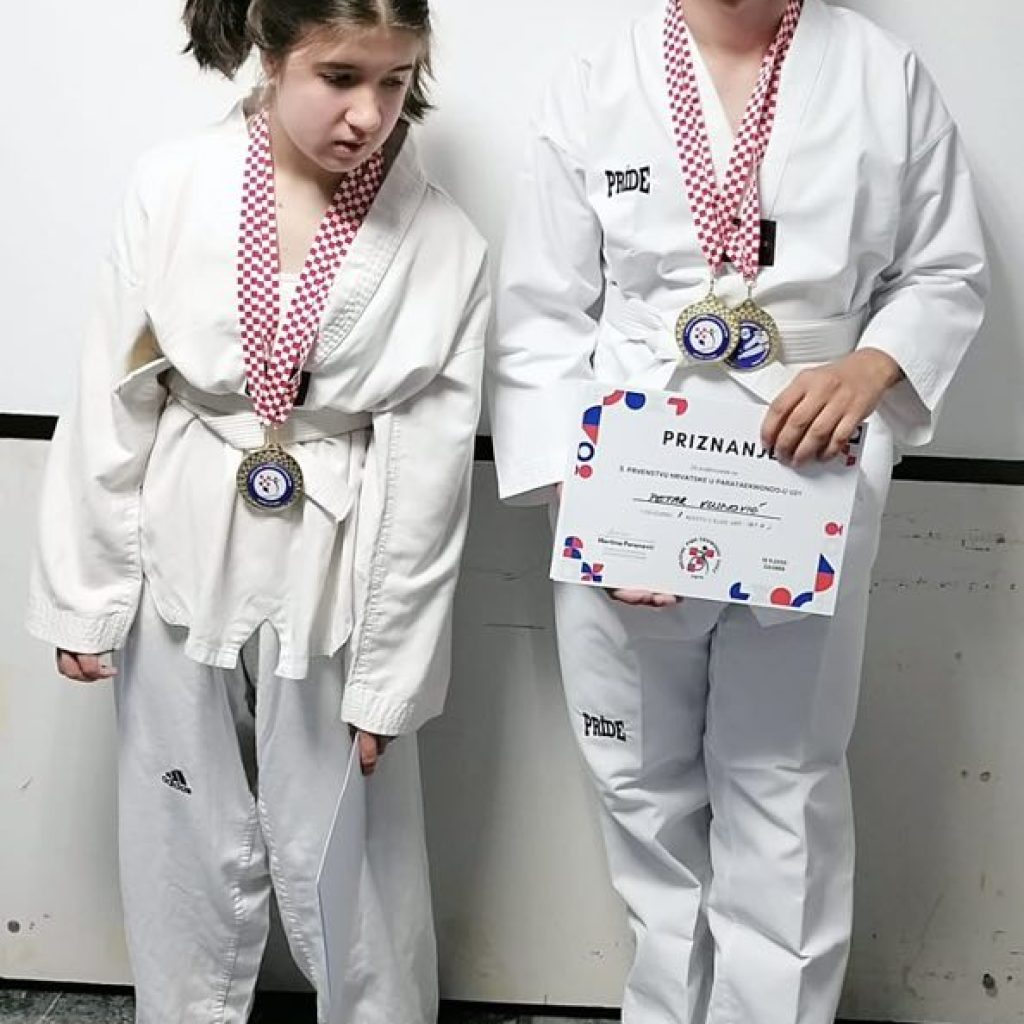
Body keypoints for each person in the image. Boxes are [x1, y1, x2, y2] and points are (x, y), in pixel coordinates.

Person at [489, 0, 986, 1022]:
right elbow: (540, 312)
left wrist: (871, 365)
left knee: (784, 786)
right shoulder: (596, 81)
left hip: (805, 470)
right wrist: (594, 515)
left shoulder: (881, 74)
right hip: (633, 475)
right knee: (640, 787)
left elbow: (944, 272)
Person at [26, 1, 489, 1021]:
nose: (369, 113)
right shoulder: (173, 184)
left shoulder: (443, 239)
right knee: (176, 821)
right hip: (183, 521)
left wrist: (392, 674)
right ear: (273, 57)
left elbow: (431, 475)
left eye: (395, 80)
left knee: (354, 839)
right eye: (340, 77)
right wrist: (87, 593)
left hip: (343, 552)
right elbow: (113, 391)